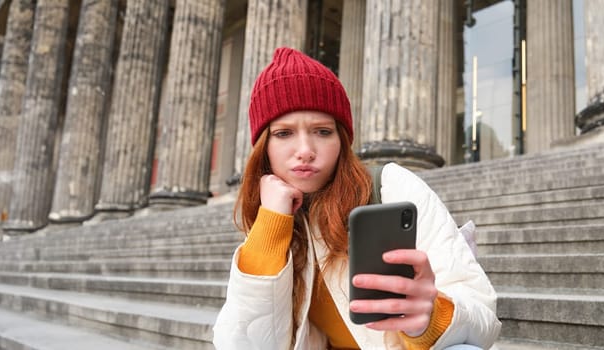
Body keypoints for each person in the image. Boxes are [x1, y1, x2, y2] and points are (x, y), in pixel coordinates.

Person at [212, 47, 501, 350]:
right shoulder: (273, 216)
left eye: (322, 131)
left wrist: (432, 317)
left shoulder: (391, 185)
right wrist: (271, 223)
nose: (305, 149)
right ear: (264, 147)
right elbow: (242, 343)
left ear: (342, 140)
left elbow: (483, 319)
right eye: (284, 133)